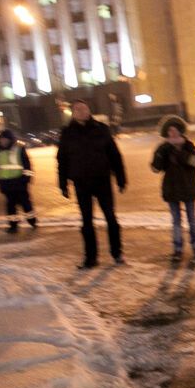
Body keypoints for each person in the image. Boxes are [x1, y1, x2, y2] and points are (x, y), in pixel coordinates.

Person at [57, 100, 126, 268]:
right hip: (81, 183)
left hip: (102, 181)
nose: (81, 111)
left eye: (84, 108)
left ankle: (117, 253)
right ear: (73, 113)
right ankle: (90, 258)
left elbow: (114, 155)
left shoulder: (101, 129)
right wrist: (63, 184)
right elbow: (62, 160)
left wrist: (121, 177)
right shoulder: (67, 133)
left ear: (89, 110)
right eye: (77, 109)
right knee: (86, 221)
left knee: (111, 217)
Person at [151, 116, 195, 262]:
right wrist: (164, 151)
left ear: (180, 131)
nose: (172, 133)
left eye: (175, 130)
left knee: (192, 219)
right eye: (170, 131)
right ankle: (177, 249)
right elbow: (155, 168)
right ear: (166, 133)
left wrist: (180, 152)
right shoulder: (163, 148)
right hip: (172, 189)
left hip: (189, 188)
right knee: (176, 221)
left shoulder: (189, 146)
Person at [0, 129, 37, 233]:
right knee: (10, 206)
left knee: (26, 204)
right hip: (6, 184)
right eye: (2, 139)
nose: (3, 141)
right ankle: (13, 226)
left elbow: (27, 165)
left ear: (10, 139)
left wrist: (26, 179)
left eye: (5, 139)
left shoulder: (19, 148)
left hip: (19, 182)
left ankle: (32, 221)